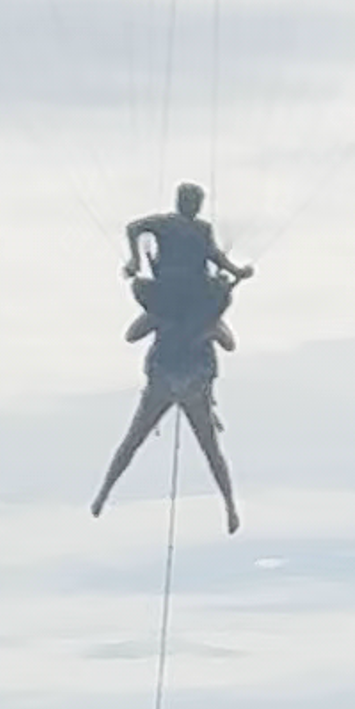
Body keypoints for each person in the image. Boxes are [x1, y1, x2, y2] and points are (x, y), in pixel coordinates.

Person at [94, 182, 246, 532]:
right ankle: (104, 493)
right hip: (184, 377)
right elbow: (225, 337)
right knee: (160, 443)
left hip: (173, 376)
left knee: (155, 443)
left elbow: (214, 259)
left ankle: (229, 507)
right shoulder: (193, 311)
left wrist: (234, 275)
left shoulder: (187, 310)